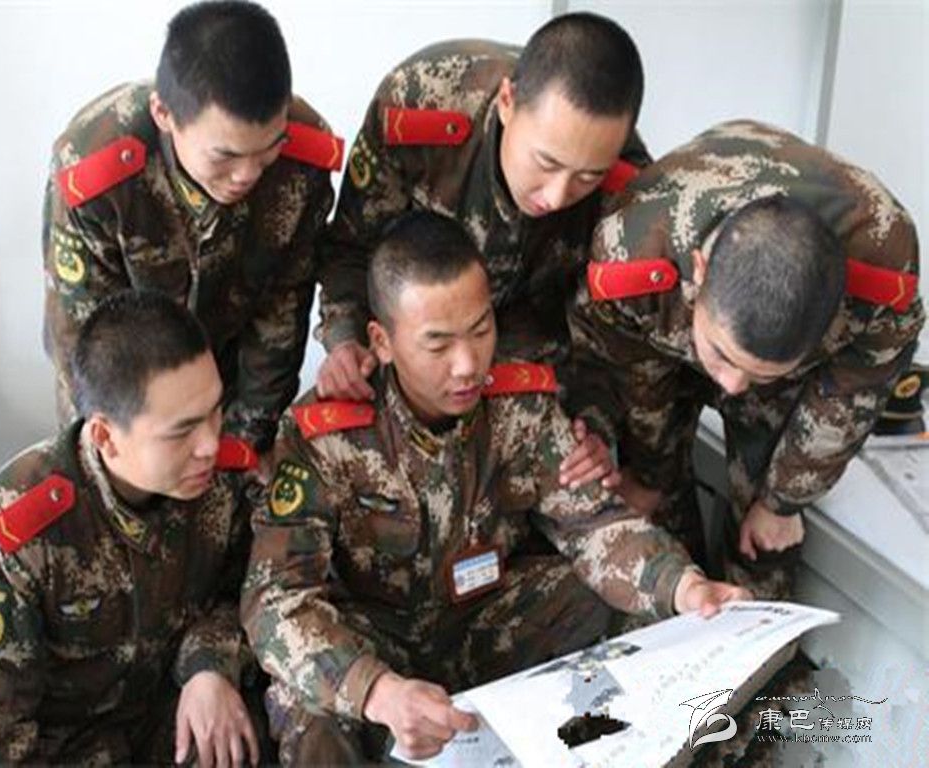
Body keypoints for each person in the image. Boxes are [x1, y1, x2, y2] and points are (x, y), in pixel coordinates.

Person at [242, 212, 749, 764]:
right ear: (382, 342)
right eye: (438, 345)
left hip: (486, 620)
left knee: (637, 610)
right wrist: (378, 692)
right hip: (376, 640)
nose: (467, 365)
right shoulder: (323, 435)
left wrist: (683, 586)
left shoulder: (519, 402)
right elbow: (276, 600)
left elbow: (592, 524)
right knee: (304, 703)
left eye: (481, 330)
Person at [568, 119, 923, 598]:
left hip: (766, 332)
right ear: (700, 270)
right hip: (660, 325)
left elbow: (853, 391)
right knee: (653, 496)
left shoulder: (883, 269)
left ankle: (753, 634)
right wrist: (651, 474)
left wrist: (782, 501)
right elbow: (630, 377)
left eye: (758, 373)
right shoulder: (629, 255)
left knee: (767, 531)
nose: (733, 385)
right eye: (723, 357)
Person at [314, 12, 652, 488]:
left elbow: (611, 329)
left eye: (587, 176)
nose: (557, 196)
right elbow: (352, 245)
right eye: (546, 162)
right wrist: (345, 339)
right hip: (417, 358)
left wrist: (593, 424)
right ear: (508, 102)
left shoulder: (632, 187)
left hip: (539, 367)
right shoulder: (422, 104)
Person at [0, 291, 263, 766]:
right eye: (182, 430)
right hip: (62, 750)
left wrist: (208, 666)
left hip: (170, 718)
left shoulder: (225, 482)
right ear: (105, 437)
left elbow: (247, 594)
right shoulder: (12, 537)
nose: (211, 445)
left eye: (216, 410)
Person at [42, 0, 340, 455]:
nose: (247, 175)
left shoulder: (302, 159)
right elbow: (83, 341)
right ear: (164, 115)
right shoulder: (96, 172)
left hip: (229, 380)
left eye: (267, 150)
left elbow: (280, 317)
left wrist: (244, 445)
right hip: (126, 399)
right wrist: (139, 461)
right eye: (225, 156)